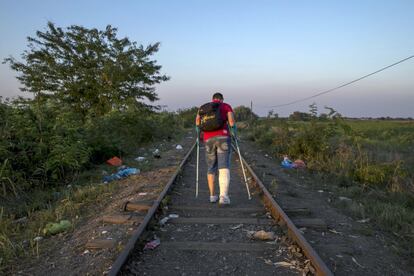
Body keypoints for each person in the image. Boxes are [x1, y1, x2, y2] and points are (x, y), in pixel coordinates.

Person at [195, 92, 237, 205]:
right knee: (223, 166)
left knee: (211, 167)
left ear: (212, 99)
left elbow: (197, 122)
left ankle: (212, 196)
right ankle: (223, 197)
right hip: (223, 137)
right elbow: (232, 122)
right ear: (221, 99)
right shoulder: (225, 106)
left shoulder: (203, 107)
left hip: (208, 139)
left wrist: (199, 135)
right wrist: (234, 131)